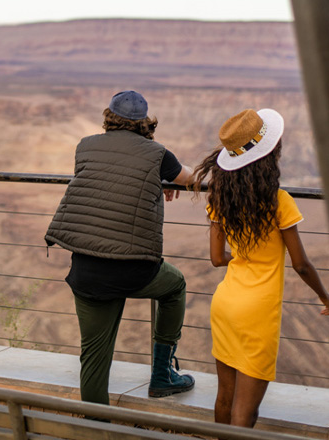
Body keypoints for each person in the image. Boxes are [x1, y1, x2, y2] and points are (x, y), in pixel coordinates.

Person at [45, 91, 196, 405]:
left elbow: (104, 183)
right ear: (144, 123)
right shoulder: (159, 154)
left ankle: (95, 427)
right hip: (134, 269)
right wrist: (164, 181)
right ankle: (162, 375)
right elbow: (191, 179)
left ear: (108, 116)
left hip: (87, 269)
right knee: (175, 285)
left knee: (94, 359)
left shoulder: (84, 146)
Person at [192, 108, 329, 428]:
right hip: (257, 313)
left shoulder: (220, 197)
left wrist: (242, 260)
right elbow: (301, 264)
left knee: (225, 395)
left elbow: (216, 258)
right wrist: (325, 297)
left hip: (225, 303)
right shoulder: (278, 201)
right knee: (245, 410)